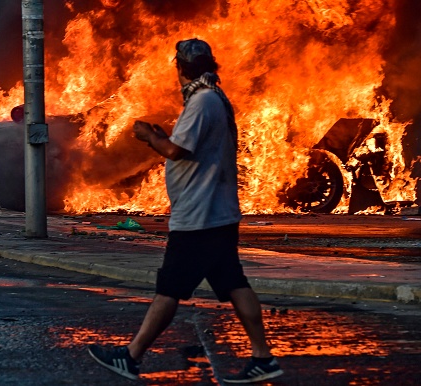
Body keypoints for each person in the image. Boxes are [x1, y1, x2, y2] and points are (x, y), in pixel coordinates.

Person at [88, 38, 283, 384]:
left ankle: (130, 357)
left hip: (198, 216)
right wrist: (163, 137)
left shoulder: (202, 101)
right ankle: (263, 357)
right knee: (235, 284)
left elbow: (177, 152)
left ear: (178, 67)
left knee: (169, 290)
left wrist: (149, 135)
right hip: (216, 213)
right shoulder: (213, 97)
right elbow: (191, 148)